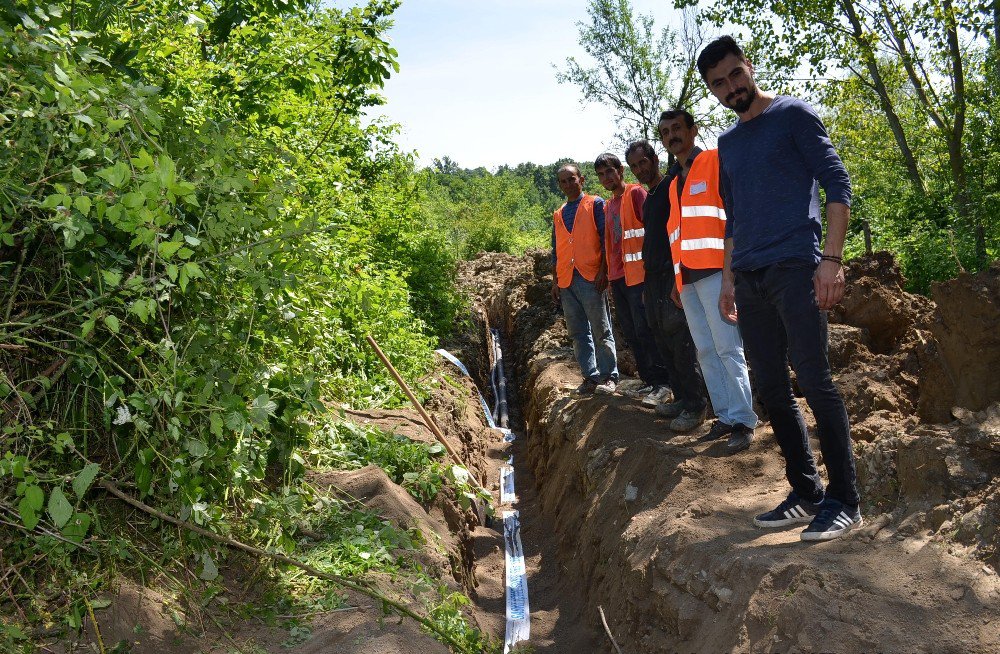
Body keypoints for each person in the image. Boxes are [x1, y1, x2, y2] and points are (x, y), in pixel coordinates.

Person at [698, 35, 862, 541]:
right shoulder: (727, 143)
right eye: (719, 84)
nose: (731, 88)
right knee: (771, 386)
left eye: (735, 75)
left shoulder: (793, 115)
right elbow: (733, 217)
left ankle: (845, 500)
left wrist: (830, 261)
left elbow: (838, 184)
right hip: (748, 276)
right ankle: (807, 492)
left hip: (796, 267)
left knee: (814, 379)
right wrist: (727, 279)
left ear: (749, 67)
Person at [660, 109, 758, 453]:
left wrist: (731, 274)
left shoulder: (715, 161)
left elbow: (733, 216)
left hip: (718, 272)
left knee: (729, 347)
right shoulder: (673, 183)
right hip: (687, 279)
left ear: (693, 131)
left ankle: (744, 420)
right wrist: (677, 278)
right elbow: (679, 234)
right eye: (665, 132)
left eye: (677, 128)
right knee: (705, 349)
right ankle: (726, 416)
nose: (672, 135)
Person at [624, 141, 707, 432]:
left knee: (680, 339)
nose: (639, 170)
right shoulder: (650, 198)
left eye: (643, 162)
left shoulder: (672, 187)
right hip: (652, 277)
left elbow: (681, 231)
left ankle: (696, 405)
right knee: (661, 337)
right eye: (634, 166)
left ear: (655, 159)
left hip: (671, 273)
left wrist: (677, 274)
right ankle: (682, 398)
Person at [593, 152, 672, 406]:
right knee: (632, 332)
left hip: (639, 275)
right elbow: (610, 244)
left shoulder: (636, 194)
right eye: (601, 174)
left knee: (646, 329)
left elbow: (652, 232)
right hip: (618, 277)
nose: (606, 178)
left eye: (610, 172)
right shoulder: (608, 205)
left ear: (620, 172)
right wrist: (606, 273)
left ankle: (663, 384)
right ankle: (649, 380)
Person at [551, 163, 619, 395]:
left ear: (582, 179)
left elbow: (605, 239)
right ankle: (589, 376)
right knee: (578, 332)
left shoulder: (595, 204)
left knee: (601, 329)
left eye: (572, 179)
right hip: (567, 280)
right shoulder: (559, 213)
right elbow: (556, 249)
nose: (568, 184)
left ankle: (609, 375)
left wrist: (604, 271)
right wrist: (555, 281)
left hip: (590, 276)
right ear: (559, 185)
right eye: (563, 181)